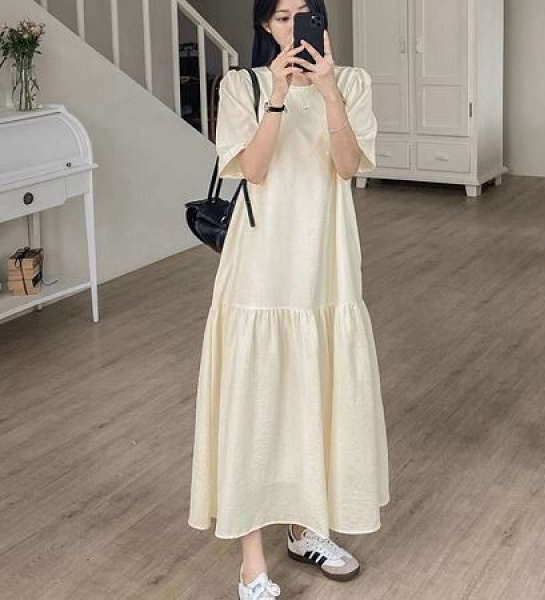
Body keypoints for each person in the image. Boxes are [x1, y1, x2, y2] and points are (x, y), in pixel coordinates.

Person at [187, 0, 390, 597]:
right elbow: (253, 169)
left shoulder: (352, 83)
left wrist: (328, 93)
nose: (292, 27)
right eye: (281, 17)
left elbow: (347, 167)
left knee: (317, 395)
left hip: (326, 267)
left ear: (319, 23)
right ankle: (251, 562)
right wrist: (276, 97)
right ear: (264, 26)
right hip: (260, 271)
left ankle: (305, 529)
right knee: (254, 405)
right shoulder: (240, 86)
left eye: (304, 14)